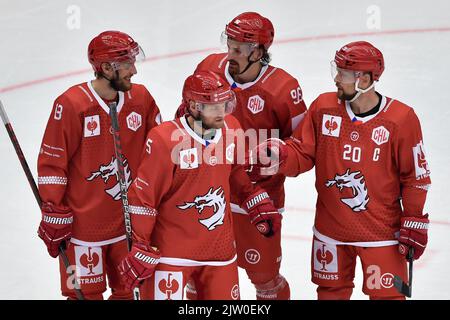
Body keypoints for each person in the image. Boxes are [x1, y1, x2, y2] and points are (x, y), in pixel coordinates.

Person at [248, 41, 431, 300]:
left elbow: (415, 177)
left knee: (390, 297)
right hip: (330, 233)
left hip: (382, 235)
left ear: (364, 79)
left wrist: (414, 219)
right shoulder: (323, 108)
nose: (336, 79)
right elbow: (302, 152)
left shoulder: (400, 120)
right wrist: (281, 154)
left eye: (343, 73)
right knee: (330, 293)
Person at [176, 12, 307, 300]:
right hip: (211, 195)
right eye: (229, 45)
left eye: (238, 49)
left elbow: (305, 147)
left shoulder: (284, 88)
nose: (229, 53)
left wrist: (282, 153)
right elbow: (183, 120)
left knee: (266, 282)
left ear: (258, 51)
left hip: (259, 199)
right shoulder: (209, 68)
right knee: (200, 281)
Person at [117, 71, 282, 300]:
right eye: (215, 106)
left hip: (219, 250)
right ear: (194, 106)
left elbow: (234, 173)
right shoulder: (164, 138)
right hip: (172, 252)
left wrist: (253, 200)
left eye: (225, 104)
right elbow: (144, 198)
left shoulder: (231, 129)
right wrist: (141, 245)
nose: (222, 112)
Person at [37, 30, 162, 299]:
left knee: (128, 295)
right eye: (128, 64)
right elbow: (52, 162)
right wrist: (52, 207)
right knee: (84, 296)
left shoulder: (141, 100)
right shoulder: (71, 104)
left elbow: (161, 153)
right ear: (106, 67)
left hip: (129, 227)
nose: (135, 71)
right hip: (84, 229)